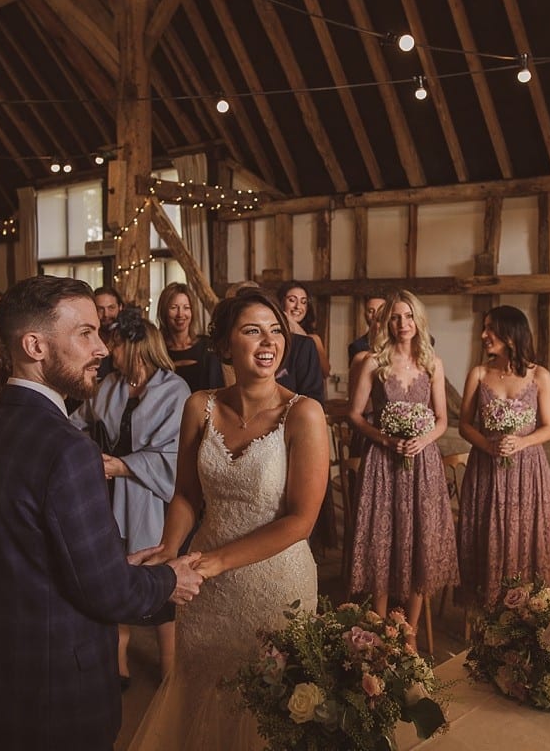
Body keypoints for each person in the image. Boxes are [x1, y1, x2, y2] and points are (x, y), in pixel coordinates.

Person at [0, 275, 202, 751]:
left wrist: (113, 564)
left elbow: (25, 552)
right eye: (84, 333)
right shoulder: (68, 450)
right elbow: (108, 594)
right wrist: (172, 579)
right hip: (57, 688)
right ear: (35, 345)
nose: (102, 348)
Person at [127, 289, 329, 751]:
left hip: (275, 584)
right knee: (202, 692)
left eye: (276, 330)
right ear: (224, 345)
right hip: (206, 590)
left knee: (269, 707)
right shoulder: (199, 405)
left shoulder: (304, 414)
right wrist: (169, 547)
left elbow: (300, 521)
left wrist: (214, 561)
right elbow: (185, 494)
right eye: (252, 330)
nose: (268, 340)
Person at [70, 307, 191, 685]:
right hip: (104, 493)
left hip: (151, 497)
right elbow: (76, 424)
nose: (107, 350)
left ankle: (169, 666)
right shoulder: (109, 386)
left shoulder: (175, 390)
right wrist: (88, 455)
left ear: (137, 346)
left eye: (115, 343)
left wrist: (123, 466)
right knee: (115, 570)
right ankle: (118, 659)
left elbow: (177, 454)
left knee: (157, 572)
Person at [346, 289, 458, 635]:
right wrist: (385, 438)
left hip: (423, 465)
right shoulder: (371, 362)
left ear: (418, 320)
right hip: (382, 461)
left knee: (419, 539)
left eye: (408, 316)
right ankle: (379, 630)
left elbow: (442, 419)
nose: (402, 324)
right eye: (395, 317)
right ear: (385, 322)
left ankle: (408, 633)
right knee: (381, 537)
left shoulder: (432, 363)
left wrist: (423, 440)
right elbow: (354, 414)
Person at [455, 305, 550, 609]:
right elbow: (463, 424)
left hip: (528, 470)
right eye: (484, 327)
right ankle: (486, 608)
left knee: (525, 535)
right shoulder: (479, 373)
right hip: (486, 468)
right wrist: (488, 446)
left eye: (490, 328)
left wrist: (521, 442)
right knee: (487, 532)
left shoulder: (540, 375)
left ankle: (529, 608)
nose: (484, 335)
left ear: (511, 334)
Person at [156, 282, 210, 391]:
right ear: (164, 311)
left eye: (186, 307)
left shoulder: (207, 346)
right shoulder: (157, 349)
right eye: (174, 307)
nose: (180, 314)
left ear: (192, 311)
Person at [278, 280, 331, 379]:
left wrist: (291, 322)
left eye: (303, 302)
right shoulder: (275, 337)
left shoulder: (313, 339)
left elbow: (325, 372)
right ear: (281, 301)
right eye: (292, 300)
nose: (298, 306)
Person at [348, 295, 386, 363]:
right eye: (371, 311)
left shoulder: (398, 341)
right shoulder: (357, 346)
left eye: (380, 311)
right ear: (365, 315)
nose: (376, 315)